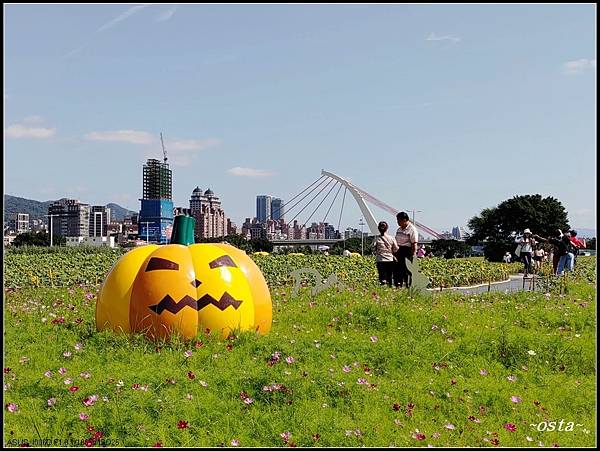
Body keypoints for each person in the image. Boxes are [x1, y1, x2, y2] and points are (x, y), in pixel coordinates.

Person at [393, 211, 418, 288]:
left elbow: (414, 243)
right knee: (398, 269)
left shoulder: (412, 229)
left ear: (404, 220)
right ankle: (399, 285)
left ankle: (409, 286)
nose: (398, 222)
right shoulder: (399, 230)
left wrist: (413, 254)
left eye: (399, 220)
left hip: (407, 251)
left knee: (407, 270)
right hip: (399, 250)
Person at [372, 221, 398, 286]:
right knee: (389, 276)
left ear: (378, 228)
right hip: (390, 259)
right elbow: (396, 249)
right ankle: (390, 288)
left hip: (380, 259)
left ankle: (383, 287)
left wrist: (378, 253)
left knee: (382, 276)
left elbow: (373, 249)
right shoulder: (391, 238)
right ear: (387, 228)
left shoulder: (377, 239)